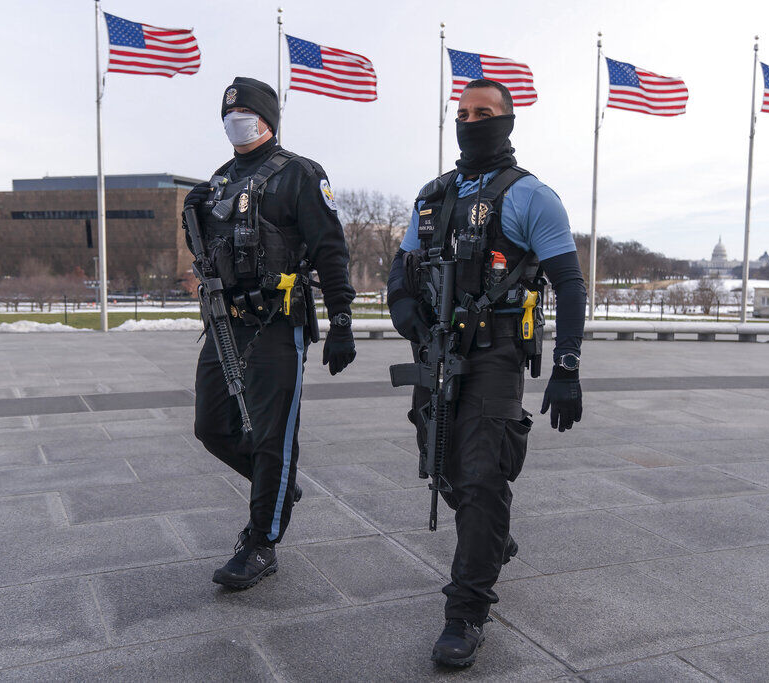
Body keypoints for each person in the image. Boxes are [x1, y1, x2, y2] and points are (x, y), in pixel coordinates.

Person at [386, 78, 586, 667]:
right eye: (463, 113)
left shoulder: (531, 196)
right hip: (435, 346)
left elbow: (570, 284)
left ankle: (466, 611)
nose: (471, 122)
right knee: (440, 461)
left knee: (480, 474)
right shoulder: (433, 195)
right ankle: (491, 535)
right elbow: (403, 264)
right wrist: (402, 306)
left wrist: (568, 366)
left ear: (506, 121)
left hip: (496, 349)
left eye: (483, 113)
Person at [184, 76, 356, 589]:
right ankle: (278, 485)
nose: (235, 121)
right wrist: (192, 214)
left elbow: (331, 250)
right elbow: (210, 253)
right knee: (211, 426)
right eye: (228, 115)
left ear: (268, 120)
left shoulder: (300, 174)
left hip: (278, 322)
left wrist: (341, 319)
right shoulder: (218, 180)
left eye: (245, 113)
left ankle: (261, 542)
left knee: (272, 437)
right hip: (225, 321)